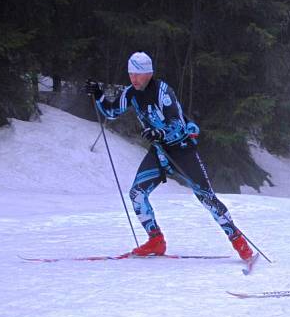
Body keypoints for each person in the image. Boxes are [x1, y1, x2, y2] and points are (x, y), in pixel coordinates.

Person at [85, 51, 253, 261]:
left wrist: (159, 132)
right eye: (130, 74)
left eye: (138, 74)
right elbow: (111, 112)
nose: (133, 79)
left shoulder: (163, 92)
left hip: (181, 149)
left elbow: (178, 122)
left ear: (148, 74)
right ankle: (156, 240)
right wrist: (98, 94)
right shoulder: (131, 93)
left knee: (206, 197)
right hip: (160, 152)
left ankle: (239, 243)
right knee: (137, 193)